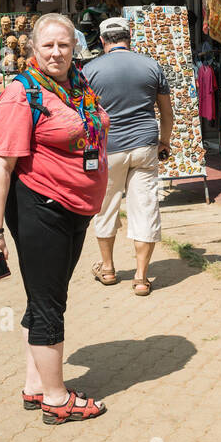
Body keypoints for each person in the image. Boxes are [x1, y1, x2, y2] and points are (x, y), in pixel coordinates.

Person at [0, 13, 110, 425]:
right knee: (49, 304)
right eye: (49, 45)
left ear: (75, 47)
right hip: (42, 209)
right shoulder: (21, 93)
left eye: (65, 45)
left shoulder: (78, 85)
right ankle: (56, 400)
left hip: (76, 209)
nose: (57, 52)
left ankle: (35, 385)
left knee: (44, 298)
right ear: (33, 48)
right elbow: (0, 166)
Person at [81, 16, 174, 296]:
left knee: (106, 207)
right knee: (145, 208)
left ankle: (108, 269)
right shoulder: (151, 65)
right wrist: (164, 142)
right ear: (129, 37)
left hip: (108, 148)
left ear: (102, 41)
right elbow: (167, 114)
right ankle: (142, 278)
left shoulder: (89, 70)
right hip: (145, 146)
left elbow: (84, 115)